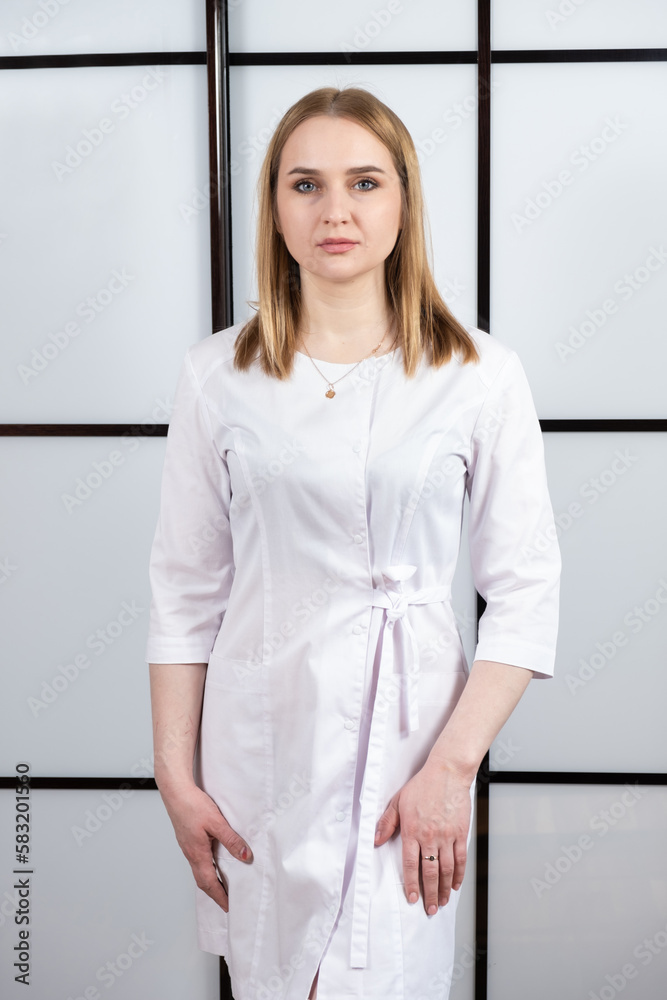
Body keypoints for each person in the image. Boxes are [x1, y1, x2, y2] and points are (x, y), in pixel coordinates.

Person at [146, 86, 561, 1000]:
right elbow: (184, 591)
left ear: (403, 202)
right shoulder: (215, 376)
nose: (335, 210)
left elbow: (525, 591)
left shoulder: (479, 375)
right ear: (274, 208)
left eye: (364, 182)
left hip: (413, 749)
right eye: (306, 184)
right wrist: (174, 775)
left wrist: (450, 768)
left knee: (387, 974)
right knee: (274, 978)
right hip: (263, 740)